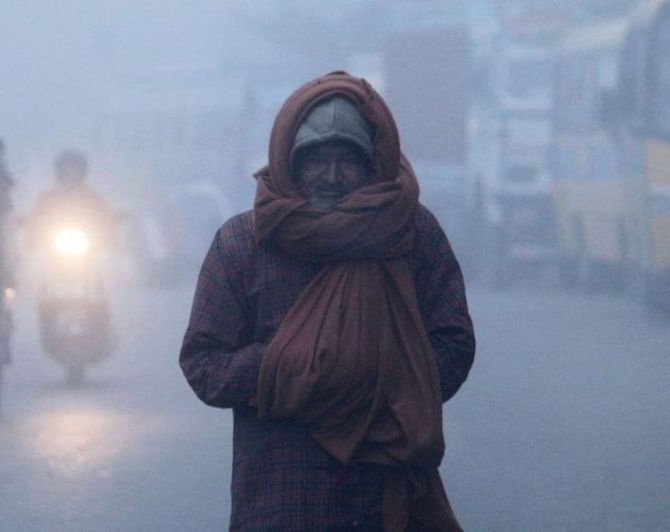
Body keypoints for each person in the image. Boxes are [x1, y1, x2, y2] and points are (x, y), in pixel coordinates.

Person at [180, 72, 475, 531]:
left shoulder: (412, 236)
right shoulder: (243, 244)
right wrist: (288, 369)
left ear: (372, 165)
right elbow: (203, 364)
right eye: (317, 159)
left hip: (381, 494)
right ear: (290, 161)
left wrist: (378, 383)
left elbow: (454, 344)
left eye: (347, 161)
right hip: (280, 499)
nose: (332, 176)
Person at [27, 149, 115, 251]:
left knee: (108, 259)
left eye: (75, 171)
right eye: (66, 171)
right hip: (50, 249)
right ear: (59, 173)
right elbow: (35, 221)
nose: (70, 174)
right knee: (35, 259)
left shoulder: (94, 198)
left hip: (90, 249)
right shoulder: (47, 198)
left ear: (82, 173)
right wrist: (34, 236)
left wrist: (109, 226)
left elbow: (105, 220)